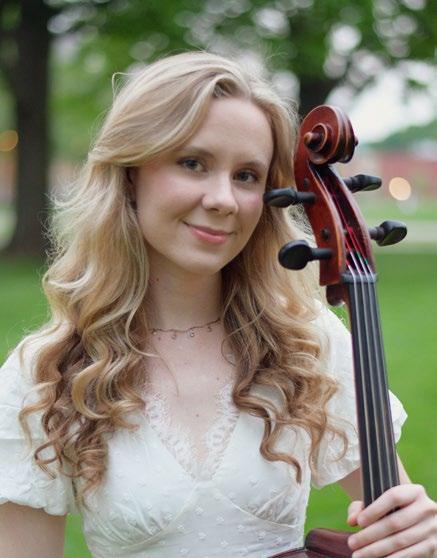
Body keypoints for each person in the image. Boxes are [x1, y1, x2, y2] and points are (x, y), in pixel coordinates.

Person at [0, 50, 436, 558]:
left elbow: (394, 527)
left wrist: (419, 537)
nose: (224, 200)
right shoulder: (47, 373)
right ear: (130, 174)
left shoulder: (306, 343)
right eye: (193, 163)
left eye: (247, 175)